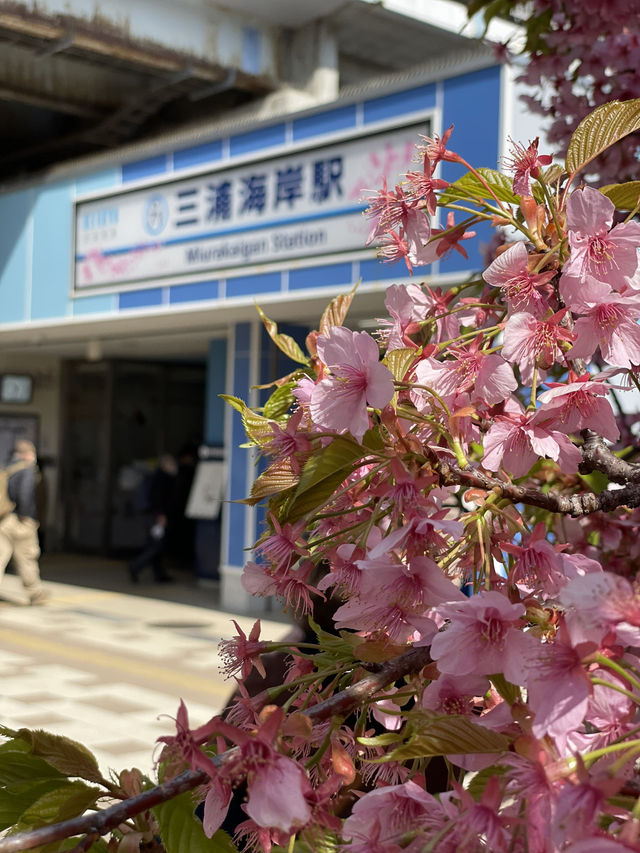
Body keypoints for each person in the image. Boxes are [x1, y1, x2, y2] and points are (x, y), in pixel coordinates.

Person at [0, 439, 49, 605]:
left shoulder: (7, 468)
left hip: (4, 520)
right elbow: (25, 494)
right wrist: (27, 515)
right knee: (27, 556)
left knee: (1, 555)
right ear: (29, 454)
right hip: (20, 520)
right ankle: (35, 592)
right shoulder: (27, 470)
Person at [128, 454, 177, 583]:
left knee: (156, 545)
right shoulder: (162, 479)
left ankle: (159, 574)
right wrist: (161, 515)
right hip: (156, 517)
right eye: (171, 464)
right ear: (165, 465)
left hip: (152, 516)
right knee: (156, 546)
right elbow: (158, 499)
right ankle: (135, 566)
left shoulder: (157, 477)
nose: (174, 467)